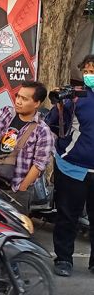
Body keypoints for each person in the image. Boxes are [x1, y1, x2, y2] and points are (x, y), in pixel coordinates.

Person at [47, 55, 94, 277]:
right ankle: (64, 259)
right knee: (67, 216)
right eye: (87, 70)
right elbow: (52, 123)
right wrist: (59, 103)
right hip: (72, 167)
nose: (90, 74)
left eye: (93, 70)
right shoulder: (75, 97)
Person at [0, 81, 54, 213]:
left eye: (24, 99)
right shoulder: (7, 112)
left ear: (37, 103)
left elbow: (39, 165)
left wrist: (22, 188)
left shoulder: (43, 130)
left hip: (15, 189)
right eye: (18, 96)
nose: (18, 101)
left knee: (13, 229)